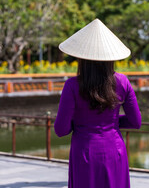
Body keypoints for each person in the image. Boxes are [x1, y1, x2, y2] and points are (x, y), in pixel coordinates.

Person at [54, 18, 141, 188]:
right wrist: (111, 122)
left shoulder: (72, 85)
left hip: (84, 152)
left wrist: (81, 123)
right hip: (115, 151)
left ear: (82, 57)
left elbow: (61, 130)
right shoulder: (123, 82)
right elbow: (136, 122)